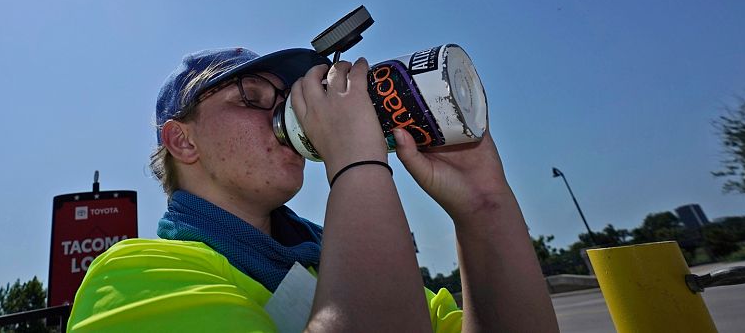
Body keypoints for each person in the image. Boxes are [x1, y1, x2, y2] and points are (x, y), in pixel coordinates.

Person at [67, 47, 558, 332]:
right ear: (183, 141)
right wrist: (357, 164)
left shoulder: (326, 261)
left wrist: (483, 206)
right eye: (252, 98)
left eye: (289, 102)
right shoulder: (134, 278)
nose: (288, 118)